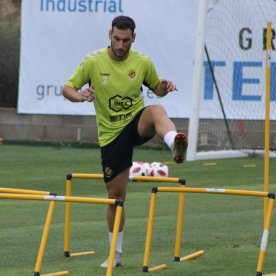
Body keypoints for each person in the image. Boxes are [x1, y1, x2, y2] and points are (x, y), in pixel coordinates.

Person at [62, 15, 188, 267]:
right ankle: (115, 255)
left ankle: (174, 141)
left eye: (126, 41)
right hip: (110, 135)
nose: (120, 46)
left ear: (134, 38)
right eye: (117, 39)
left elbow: (157, 89)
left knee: (156, 110)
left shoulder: (142, 62)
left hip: (136, 123)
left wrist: (164, 86)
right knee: (115, 197)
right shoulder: (92, 61)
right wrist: (80, 95)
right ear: (110, 34)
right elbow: (67, 88)